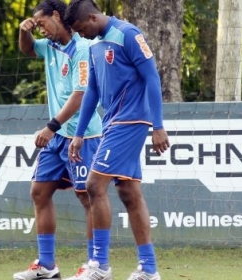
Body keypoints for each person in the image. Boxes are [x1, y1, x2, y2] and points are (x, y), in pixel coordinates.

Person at [65, 1, 170, 280]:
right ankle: (148, 269)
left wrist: (157, 126)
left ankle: (99, 265)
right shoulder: (94, 44)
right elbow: (92, 92)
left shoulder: (128, 34)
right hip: (113, 122)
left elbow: (152, 78)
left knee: (94, 184)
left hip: (132, 120)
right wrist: (79, 134)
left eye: (80, 29)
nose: (80, 34)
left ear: (92, 16)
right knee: (128, 193)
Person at [13, 1, 102, 280]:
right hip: (58, 136)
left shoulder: (83, 48)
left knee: (87, 197)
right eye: (36, 25)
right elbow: (27, 49)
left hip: (83, 134)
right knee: (39, 191)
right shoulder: (49, 45)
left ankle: (94, 265)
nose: (41, 30)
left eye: (41, 23)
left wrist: (51, 126)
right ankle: (47, 265)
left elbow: (80, 95)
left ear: (56, 16)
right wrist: (24, 31)